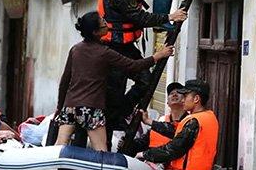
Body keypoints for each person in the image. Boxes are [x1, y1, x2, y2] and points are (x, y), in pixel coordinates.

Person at [98, 0, 187, 135]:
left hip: (123, 44)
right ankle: (115, 120)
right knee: (117, 89)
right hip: (116, 46)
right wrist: (169, 16)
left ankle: (119, 115)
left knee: (144, 81)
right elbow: (137, 17)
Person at [55, 12, 174, 151]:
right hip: (91, 108)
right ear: (95, 32)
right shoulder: (105, 52)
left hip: (70, 107)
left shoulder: (75, 50)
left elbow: (64, 81)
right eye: (102, 23)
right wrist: (158, 56)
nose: (106, 23)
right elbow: (133, 65)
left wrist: (59, 107)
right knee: (101, 151)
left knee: (59, 147)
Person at [137, 79, 219, 170]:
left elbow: (173, 149)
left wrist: (144, 154)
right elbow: (174, 130)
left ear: (196, 99)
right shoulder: (208, 118)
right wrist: (150, 122)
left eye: (185, 96)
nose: (183, 99)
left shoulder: (193, 122)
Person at [131, 82, 187, 155]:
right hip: (151, 164)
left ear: (185, 100)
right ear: (167, 102)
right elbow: (142, 143)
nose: (174, 94)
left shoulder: (190, 121)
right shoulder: (161, 120)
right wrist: (129, 144)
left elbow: (177, 133)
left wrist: (148, 121)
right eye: (171, 93)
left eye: (178, 93)